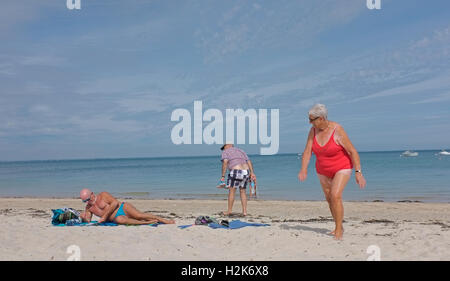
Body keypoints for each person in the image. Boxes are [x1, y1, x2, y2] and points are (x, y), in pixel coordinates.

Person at [298, 104, 366, 240]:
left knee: (335, 196)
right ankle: (337, 226)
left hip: (342, 167)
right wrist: (303, 169)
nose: (310, 122)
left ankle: (339, 229)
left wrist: (358, 172)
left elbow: (352, 151)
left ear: (322, 118)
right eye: (309, 119)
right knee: (330, 199)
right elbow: (307, 151)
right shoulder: (313, 131)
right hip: (323, 169)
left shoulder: (337, 130)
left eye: (312, 120)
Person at [79, 188, 175, 225]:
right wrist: (83, 217)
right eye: (85, 201)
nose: (88, 201)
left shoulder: (103, 195)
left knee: (139, 215)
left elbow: (115, 203)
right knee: (120, 220)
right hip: (116, 218)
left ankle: (163, 220)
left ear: (92, 194)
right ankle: (146, 223)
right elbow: (88, 220)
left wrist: (104, 216)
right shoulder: (88, 207)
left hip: (122, 208)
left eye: (88, 199)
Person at [218, 144, 256, 216]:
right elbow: (248, 161)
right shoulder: (241, 151)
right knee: (243, 191)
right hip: (246, 171)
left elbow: (225, 162)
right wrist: (252, 173)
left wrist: (223, 175)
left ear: (226, 146)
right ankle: (244, 212)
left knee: (232, 191)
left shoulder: (226, 152)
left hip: (236, 171)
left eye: (223, 148)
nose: (223, 149)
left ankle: (229, 211)